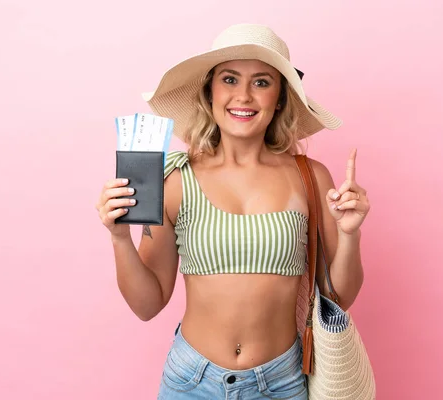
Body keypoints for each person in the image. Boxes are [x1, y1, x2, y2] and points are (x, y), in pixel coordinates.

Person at [95, 23, 370, 399]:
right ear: (209, 92)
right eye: (229, 79)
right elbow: (147, 304)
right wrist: (118, 237)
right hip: (190, 382)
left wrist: (351, 234)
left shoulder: (309, 177)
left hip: (282, 383)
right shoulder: (176, 180)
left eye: (261, 82)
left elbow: (337, 297)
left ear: (280, 98)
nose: (243, 96)